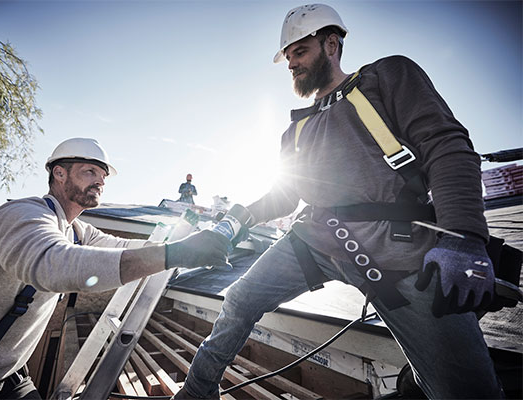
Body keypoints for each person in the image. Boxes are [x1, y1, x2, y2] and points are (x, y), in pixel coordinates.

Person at [174, 4, 502, 399]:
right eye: (289, 57)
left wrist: (463, 238)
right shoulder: (296, 129)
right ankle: (195, 392)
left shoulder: (388, 76)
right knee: (240, 299)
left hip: (396, 250)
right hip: (314, 240)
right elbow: (284, 194)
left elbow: (446, 146)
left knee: (466, 390)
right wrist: (235, 220)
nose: (292, 64)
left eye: (300, 52)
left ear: (331, 44)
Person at [0, 138, 231, 399]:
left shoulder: (76, 230)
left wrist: (188, 243)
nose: (99, 181)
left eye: (103, 176)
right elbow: (54, 266)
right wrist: (175, 254)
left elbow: (123, 249)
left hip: (7, 373)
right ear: (59, 173)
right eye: (90, 172)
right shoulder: (22, 216)